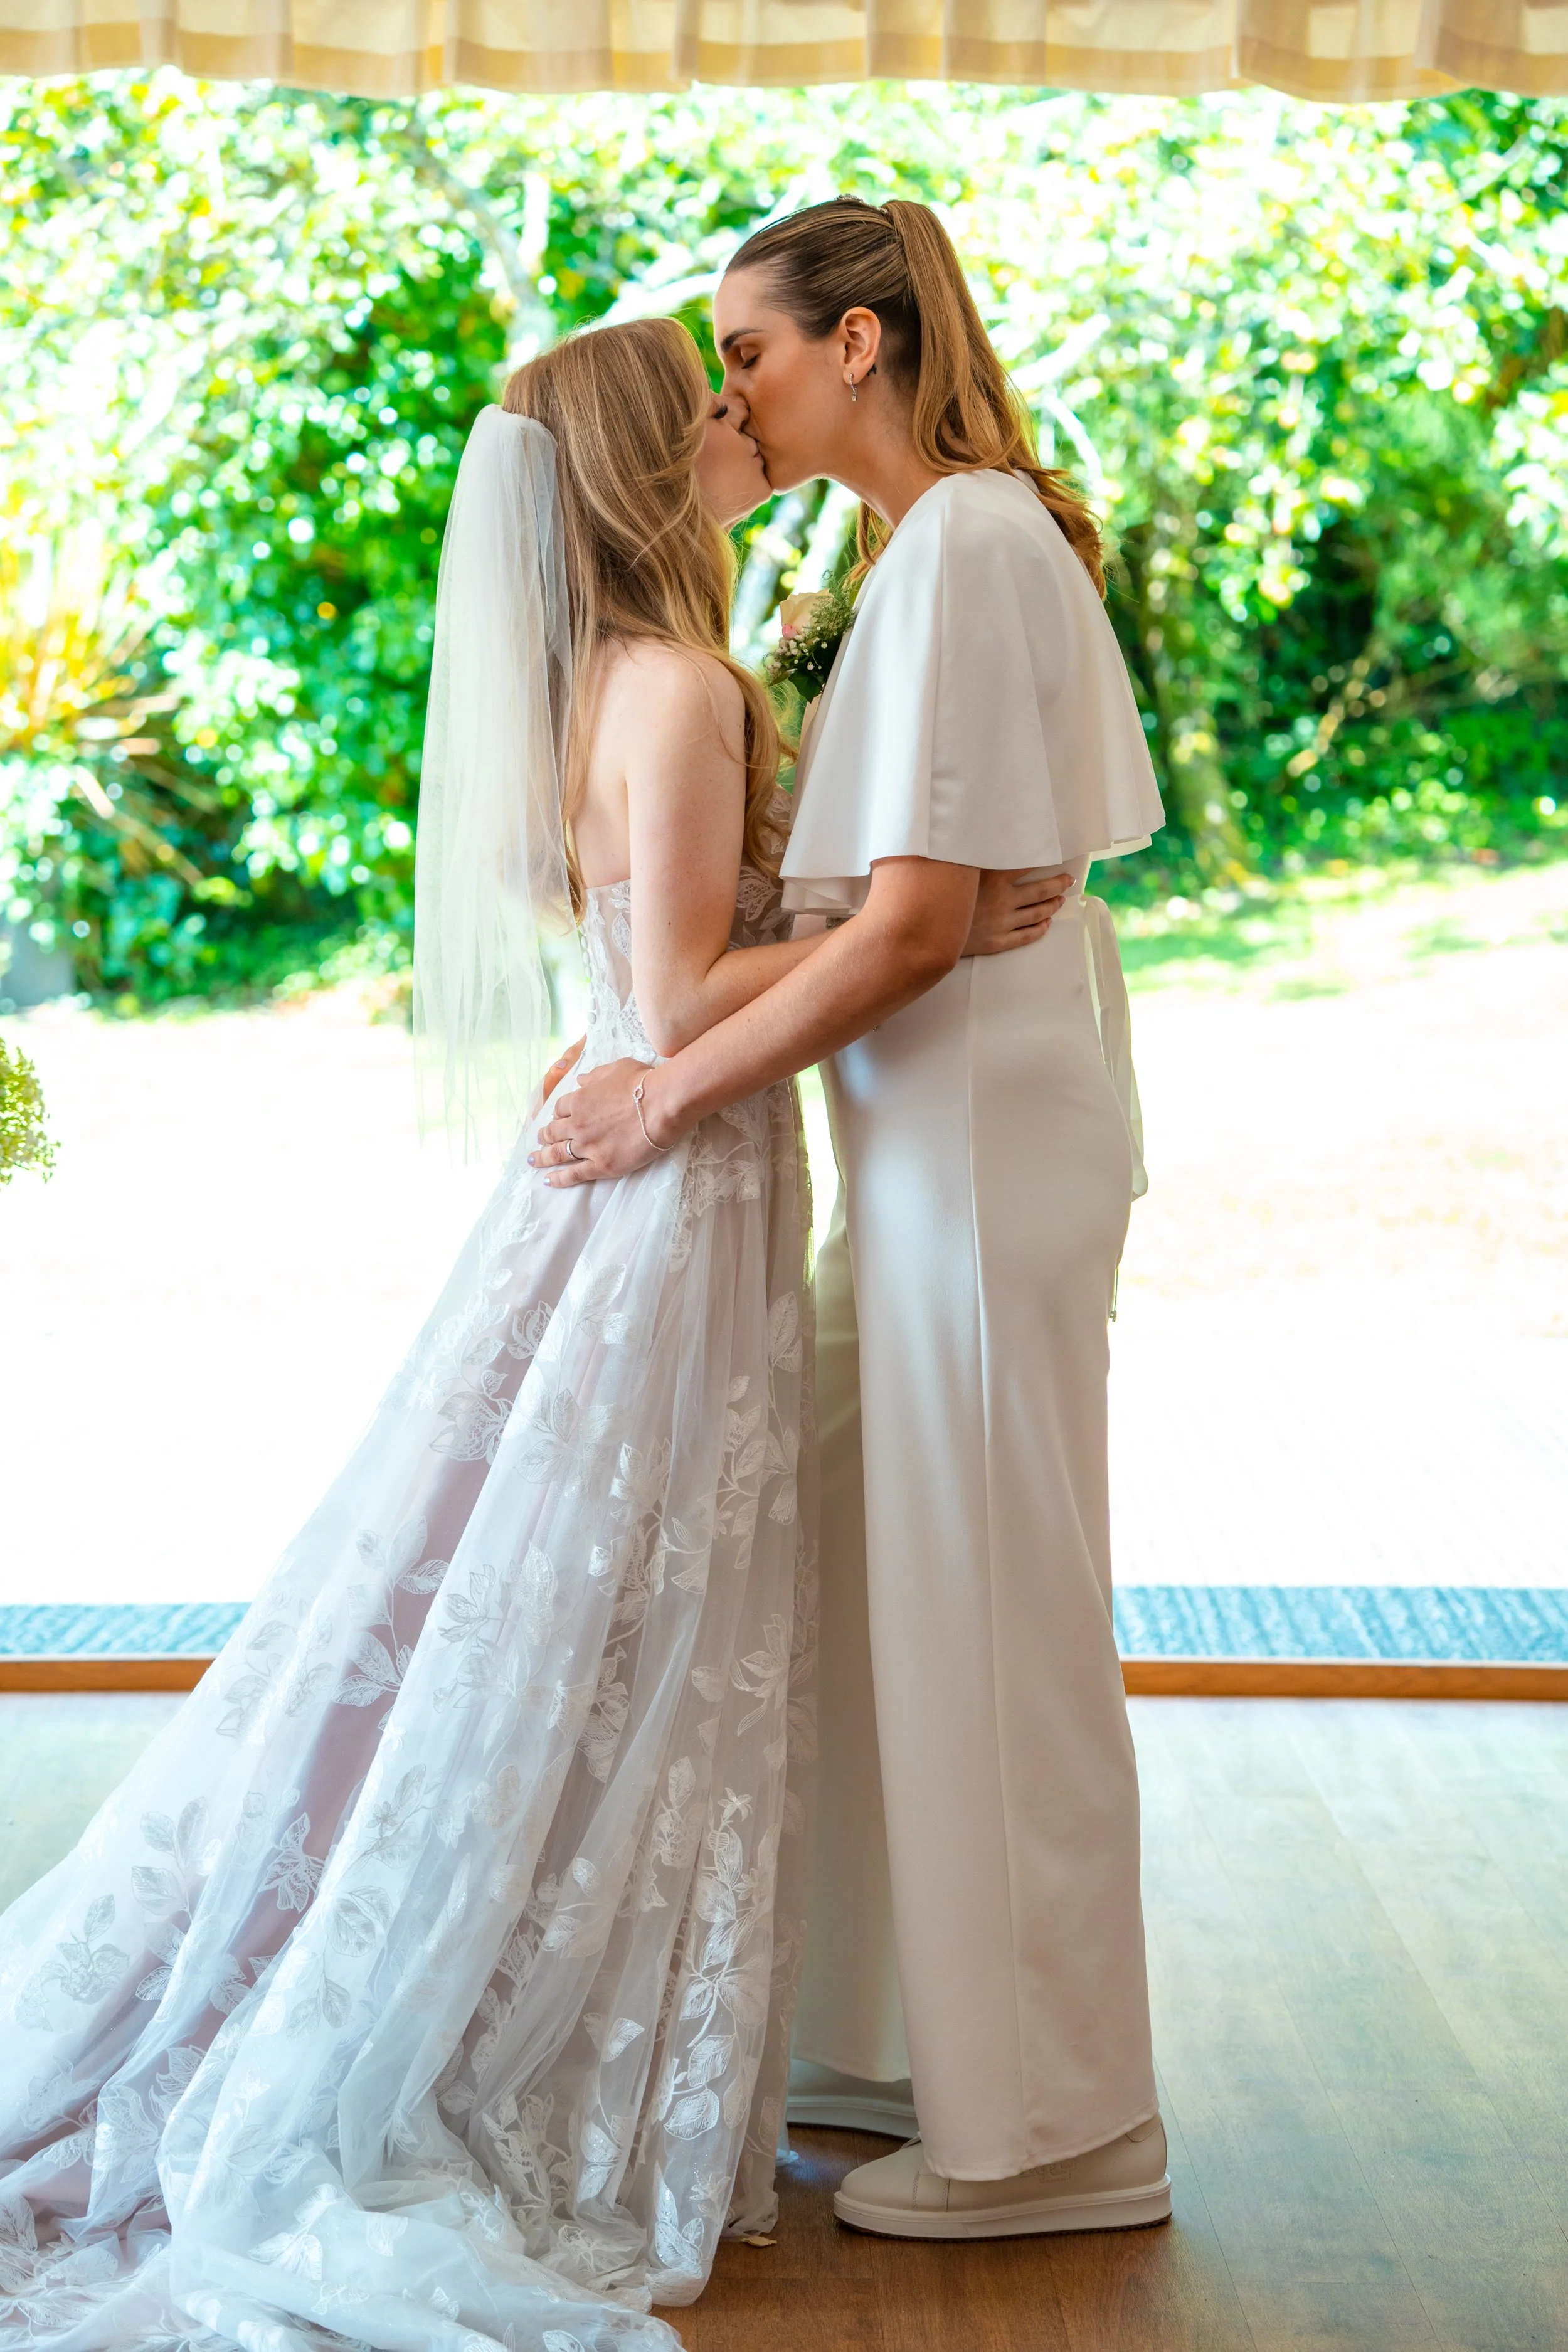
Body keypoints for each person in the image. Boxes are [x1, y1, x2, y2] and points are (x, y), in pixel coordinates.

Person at [0, 317, 1049, 2352]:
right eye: (716, 398)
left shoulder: (615, 679)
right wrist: (893, 922)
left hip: (667, 1164)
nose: (747, 415)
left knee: (561, 1601)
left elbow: (619, 980)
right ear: (658, 461)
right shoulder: (675, 687)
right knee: (589, 1612)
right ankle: (463, 2026)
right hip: (675, 1183)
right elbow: (671, 984)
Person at [536, 196, 1172, 2242]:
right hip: (925, 1139)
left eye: (750, 346)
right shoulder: (909, 556)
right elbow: (893, 902)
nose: (726, 384)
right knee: (888, 1580)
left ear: (867, 343)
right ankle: (906, 2041)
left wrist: (662, 1087)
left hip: (977, 1143)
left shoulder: (970, 540)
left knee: (991, 1604)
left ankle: (1062, 2127)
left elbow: (914, 930)